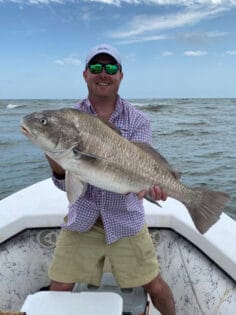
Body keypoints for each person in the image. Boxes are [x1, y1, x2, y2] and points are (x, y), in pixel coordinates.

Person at [46, 44, 176, 315]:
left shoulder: (138, 120)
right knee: (57, 287)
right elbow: (65, 185)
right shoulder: (69, 118)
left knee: (154, 285)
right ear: (85, 75)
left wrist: (153, 187)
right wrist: (57, 163)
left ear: (120, 75)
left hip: (125, 220)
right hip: (83, 220)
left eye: (110, 67)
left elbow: (142, 165)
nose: (103, 73)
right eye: (95, 67)